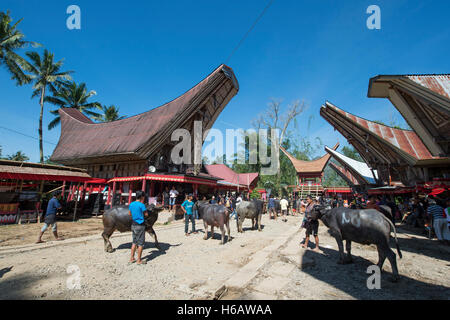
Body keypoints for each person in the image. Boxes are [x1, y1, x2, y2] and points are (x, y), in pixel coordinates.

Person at [128, 191, 148, 265]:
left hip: (133, 225)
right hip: (140, 225)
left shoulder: (131, 204)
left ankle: (132, 258)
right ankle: (139, 260)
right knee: (141, 244)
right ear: (142, 197)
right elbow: (146, 214)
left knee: (134, 242)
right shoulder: (142, 205)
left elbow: (129, 213)